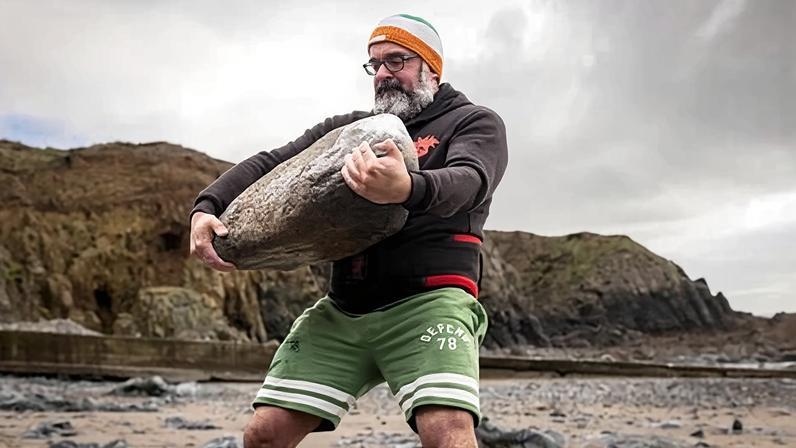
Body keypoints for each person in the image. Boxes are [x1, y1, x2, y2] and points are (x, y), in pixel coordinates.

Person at [189, 14, 508, 448]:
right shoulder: (349, 130)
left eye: (397, 61)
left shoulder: (473, 122)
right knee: (264, 435)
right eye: (374, 64)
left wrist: (407, 187)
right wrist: (207, 206)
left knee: (446, 433)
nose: (382, 75)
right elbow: (271, 162)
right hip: (345, 308)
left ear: (432, 67)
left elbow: (470, 182)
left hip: (430, 303)